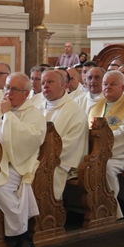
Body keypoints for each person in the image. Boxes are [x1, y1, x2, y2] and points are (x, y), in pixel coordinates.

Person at [0, 73, 46, 247]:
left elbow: (32, 139)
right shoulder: (1, 108)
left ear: (26, 93)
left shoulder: (34, 114)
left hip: (19, 163)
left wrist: (7, 115)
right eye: (7, 87)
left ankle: (22, 237)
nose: (8, 92)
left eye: (14, 89)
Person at [87, 71, 124, 219]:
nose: (107, 87)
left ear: (123, 88)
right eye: (105, 84)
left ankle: (111, 209)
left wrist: (100, 138)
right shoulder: (95, 108)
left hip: (118, 154)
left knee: (106, 168)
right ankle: (87, 207)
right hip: (93, 151)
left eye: (113, 84)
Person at [40, 69, 88, 200]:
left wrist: (43, 153)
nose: (45, 85)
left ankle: (47, 210)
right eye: (43, 83)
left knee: (40, 174)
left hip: (61, 161)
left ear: (63, 85)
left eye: (50, 82)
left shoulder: (74, 111)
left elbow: (71, 144)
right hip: (36, 157)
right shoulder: (36, 106)